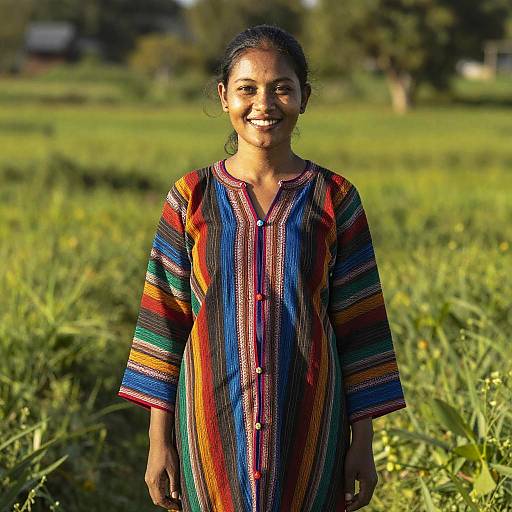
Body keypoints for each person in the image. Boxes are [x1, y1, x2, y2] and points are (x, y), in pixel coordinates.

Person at [117, 23, 407, 512]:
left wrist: (363, 443)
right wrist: (157, 441)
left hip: (311, 426)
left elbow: (361, 328)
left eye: (282, 89)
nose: (264, 104)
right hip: (209, 426)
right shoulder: (191, 197)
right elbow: (163, 324)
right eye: (247, 89)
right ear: (223, 96)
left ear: (304, 97)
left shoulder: (335, 198)